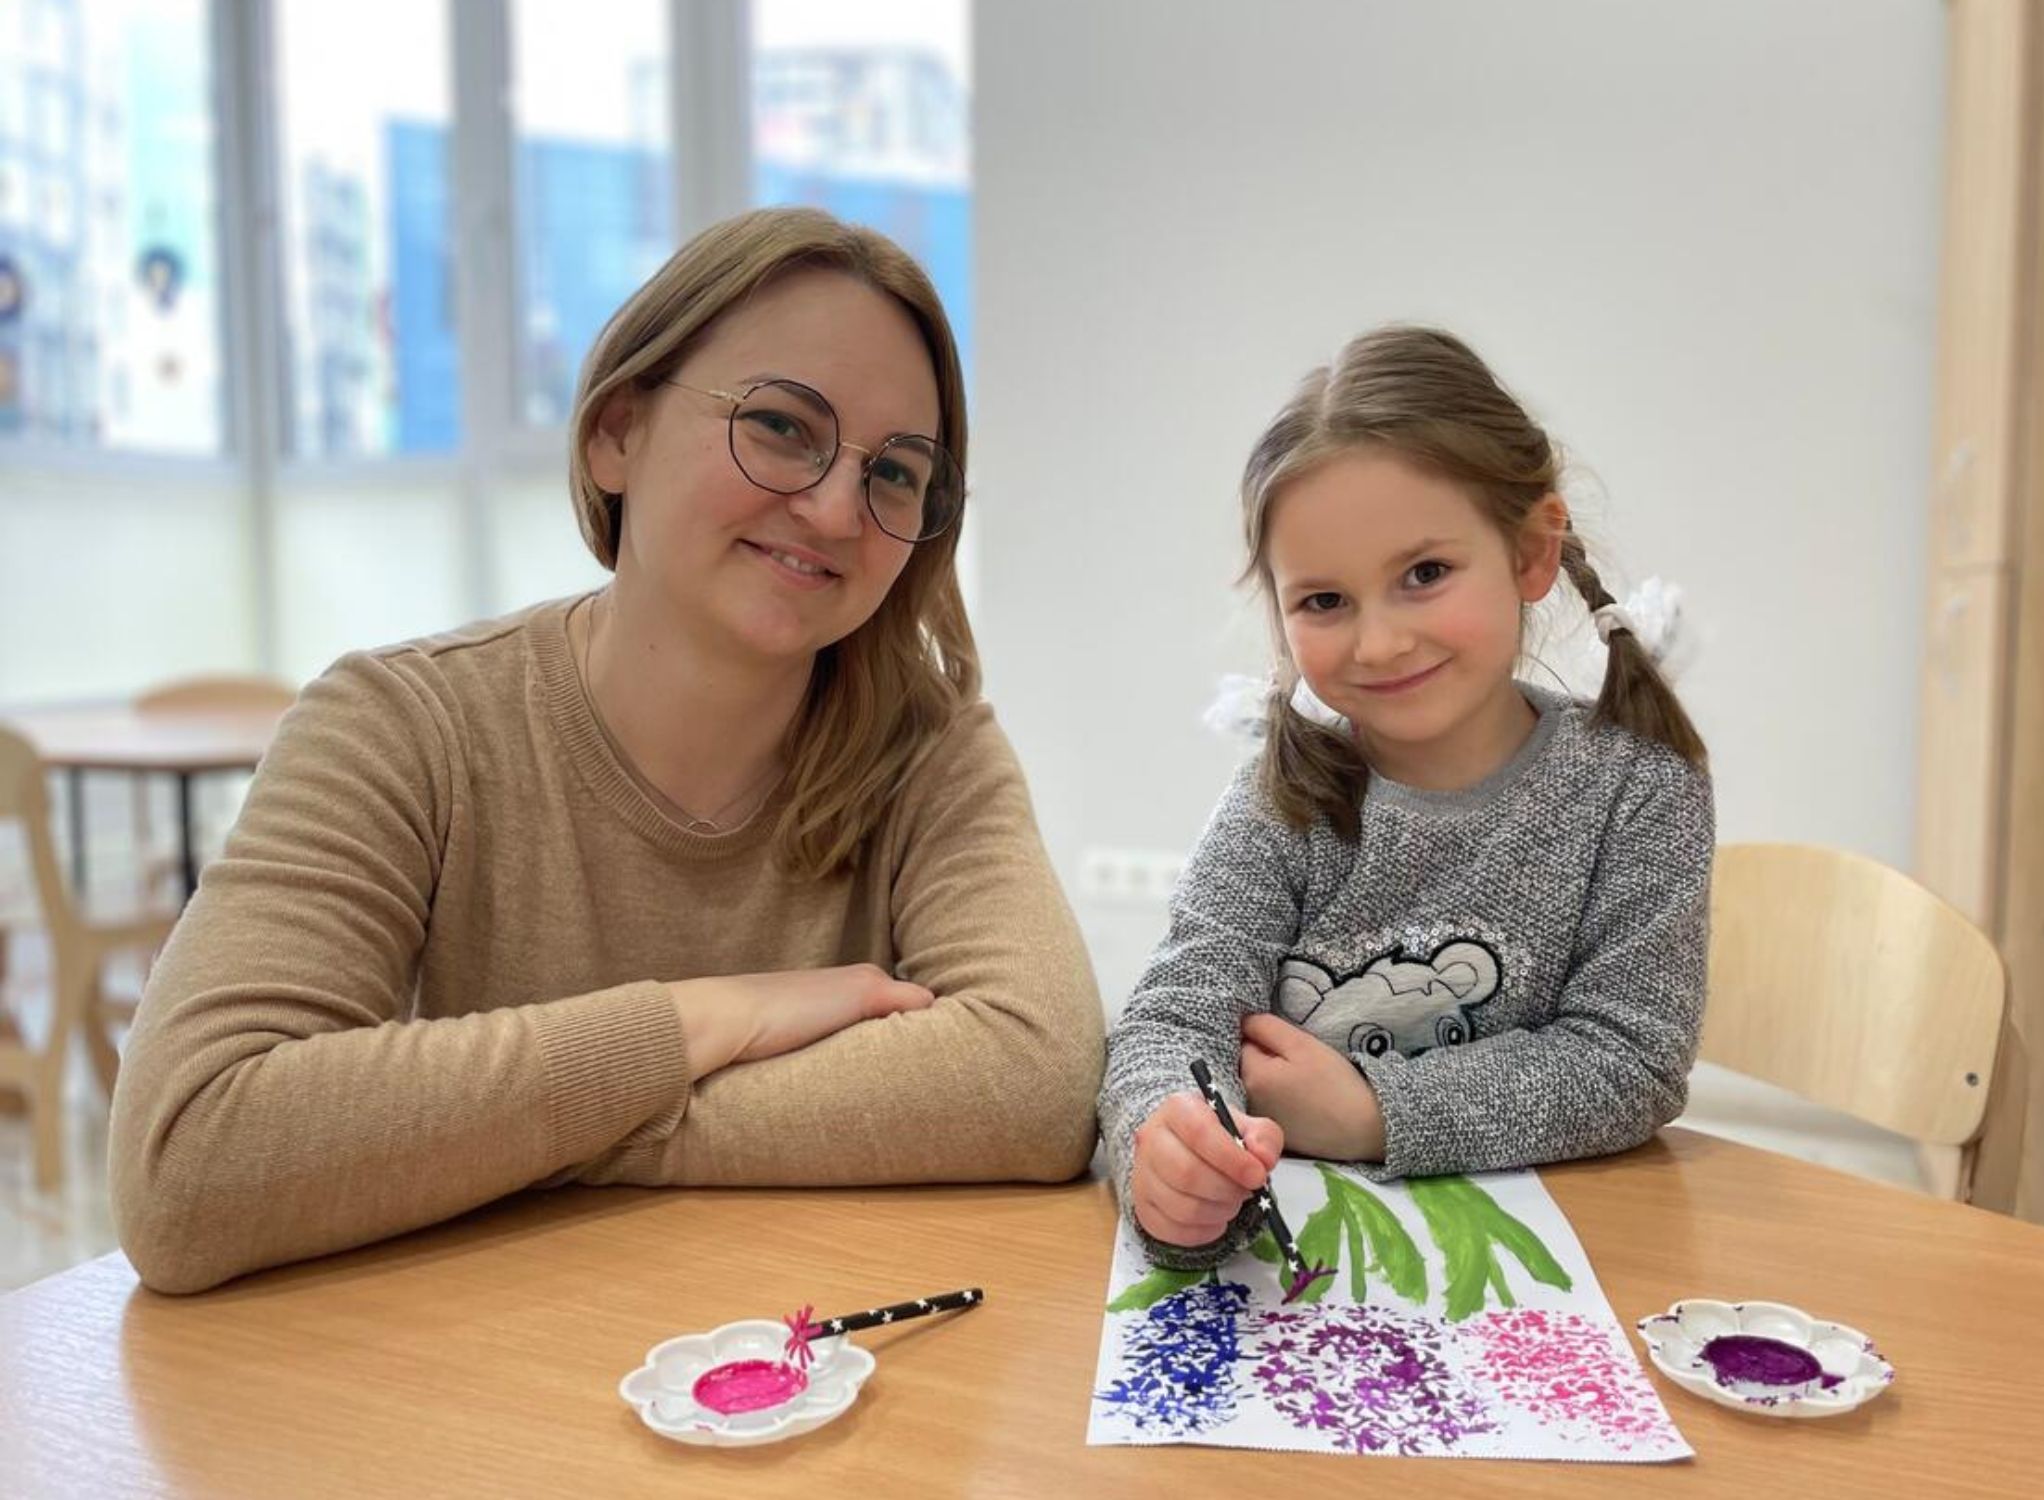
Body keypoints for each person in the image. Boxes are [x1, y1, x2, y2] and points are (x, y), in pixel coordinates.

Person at [110, 208, 1103, 1293]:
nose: (832, 509)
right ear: (614, 432)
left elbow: (1034, 1079)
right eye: (779, 425)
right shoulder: (397, 724)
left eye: (896, 474)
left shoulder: (925, 741)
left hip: (817, 1380)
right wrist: (702, 1018)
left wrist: (519, 1138)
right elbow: (189, 1160)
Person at [1099, 324, 1713, 1261]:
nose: (1378, 643)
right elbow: (1177, 1013)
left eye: (1423, 575)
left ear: (1530, 553)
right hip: (1291, 1274)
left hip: (1543, 1266)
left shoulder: (1637, 788)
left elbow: (1629, 1059)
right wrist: (1170, 1149)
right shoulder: (1285, 790)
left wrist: (1372, 1114)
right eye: (1323, 601)